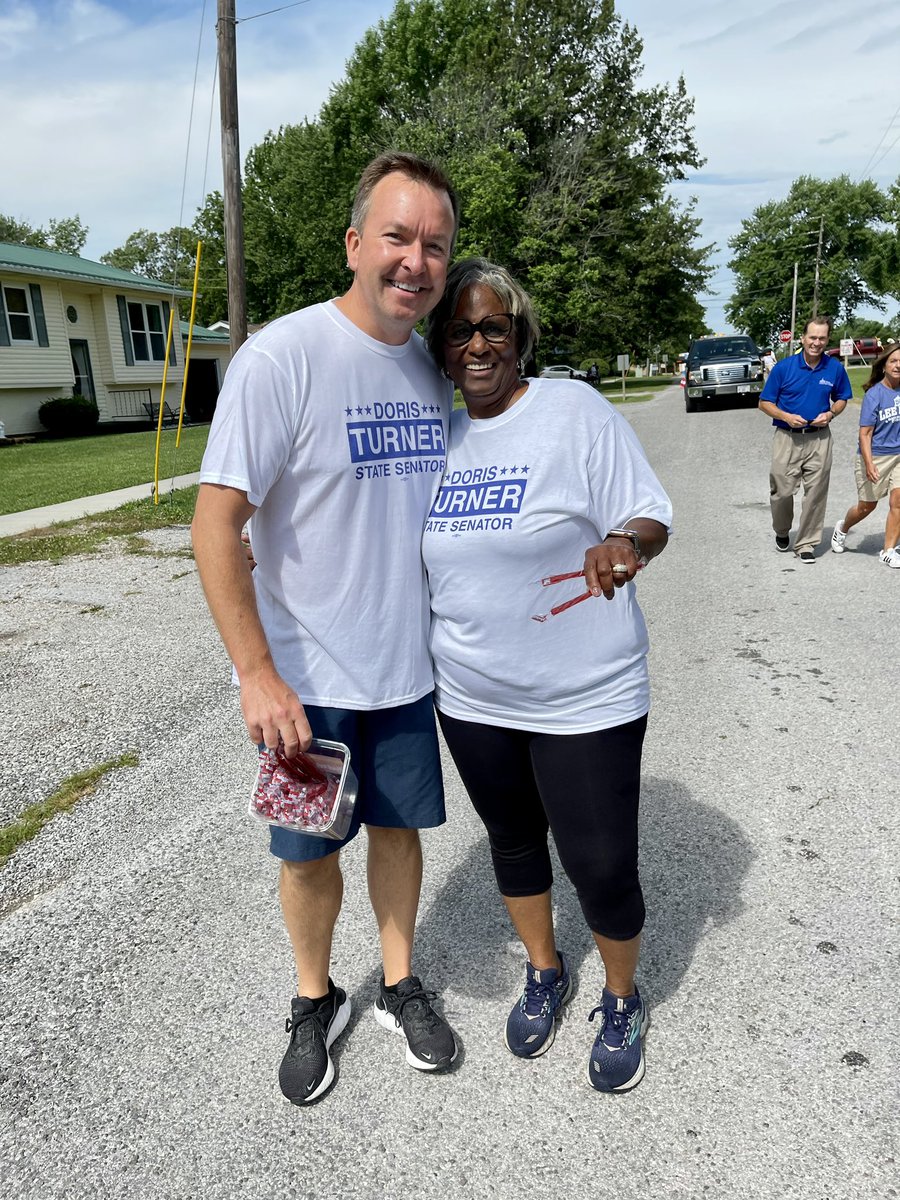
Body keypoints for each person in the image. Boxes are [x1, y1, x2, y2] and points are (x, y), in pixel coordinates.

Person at [191, 152, 460, 1106]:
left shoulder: (432, 373)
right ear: (355, 243)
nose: (414, 261)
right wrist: (257, 674)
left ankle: (397, 982)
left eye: (433, 244)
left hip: (408, 673)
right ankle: (314, 998)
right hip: (305, 682)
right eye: (396, 236)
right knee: (308, 853)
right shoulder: (284, 357)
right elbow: (216, 520)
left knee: (399, 833)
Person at [422, 258, 672, 1093]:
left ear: (520, 335)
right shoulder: (437, 435)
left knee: (601, 863)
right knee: (515, 840)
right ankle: (545, 969)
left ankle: (623, 994)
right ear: (442, 348)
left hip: (585, 695)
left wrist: (625, 544)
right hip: (472, 694)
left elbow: (648, 510)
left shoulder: (573, 411)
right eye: (460, 330)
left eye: (494, 326)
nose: (478, 343)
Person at [759, 316, 852, 563]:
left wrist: (831, 412)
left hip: (820, 439)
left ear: (827, 339)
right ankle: (781, 530)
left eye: (822, 338)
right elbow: (764, 403)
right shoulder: (784, 368)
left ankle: (807, 543)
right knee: (781, 491)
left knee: (816, 493)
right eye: (812, 337)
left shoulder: (834, 368)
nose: (816, 342)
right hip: (787, 438)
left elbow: (842, 398)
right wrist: (786, 416)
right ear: (803, 338)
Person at [831, 344, 900, 567]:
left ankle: (888, 550)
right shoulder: (874, 394)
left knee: (898, 502)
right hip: (875, 456)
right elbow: (865, 433)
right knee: (866, 506)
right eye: (893, 361)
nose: (898, 365)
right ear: (884, 366)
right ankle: (842, 528)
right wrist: (869, 463)